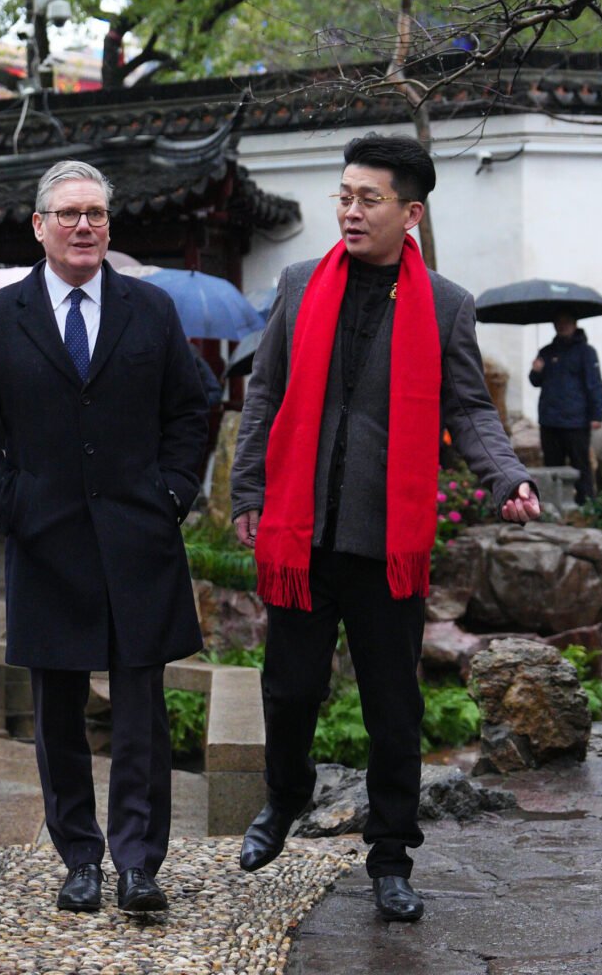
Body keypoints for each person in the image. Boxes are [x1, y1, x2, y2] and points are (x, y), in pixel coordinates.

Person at [230, 134, 540, 923]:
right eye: (344, 196)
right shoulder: (301, 284)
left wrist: (507, 476)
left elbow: (470, 409)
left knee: (393, 712)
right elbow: (264, 393)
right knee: (289, 691)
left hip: (385, 544)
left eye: (369, 198)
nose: (351, 211)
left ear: (411, 213)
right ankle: (284, 796)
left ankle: (392, 856)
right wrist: (248, 490)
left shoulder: (445, 303)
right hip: (302, 532)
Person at [0, 160, 208, 915]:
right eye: (68, 214)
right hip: (47, 538)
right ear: (40, 226)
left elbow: (190, 410)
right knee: (56, 714)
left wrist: (172, 493)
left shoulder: (149, 309)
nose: (84, 225)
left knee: (140, 714)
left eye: (95, 212)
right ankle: (80, 859)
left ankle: (139, 864)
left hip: (138, 536)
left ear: (108, 224)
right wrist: (13, 504)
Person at [529, 311, 602, 504]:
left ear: (575, 324)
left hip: (576, 421)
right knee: (552, 468)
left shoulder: (586, 352)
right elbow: (535, 381)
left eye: (567, 322)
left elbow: (595, 384)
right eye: (559, 322)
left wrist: (597, 414)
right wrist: (535, 371)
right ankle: (553, 508)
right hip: (549, 420)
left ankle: (585, 506)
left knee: (581, 466)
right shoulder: (546, 352)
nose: (562, 326)